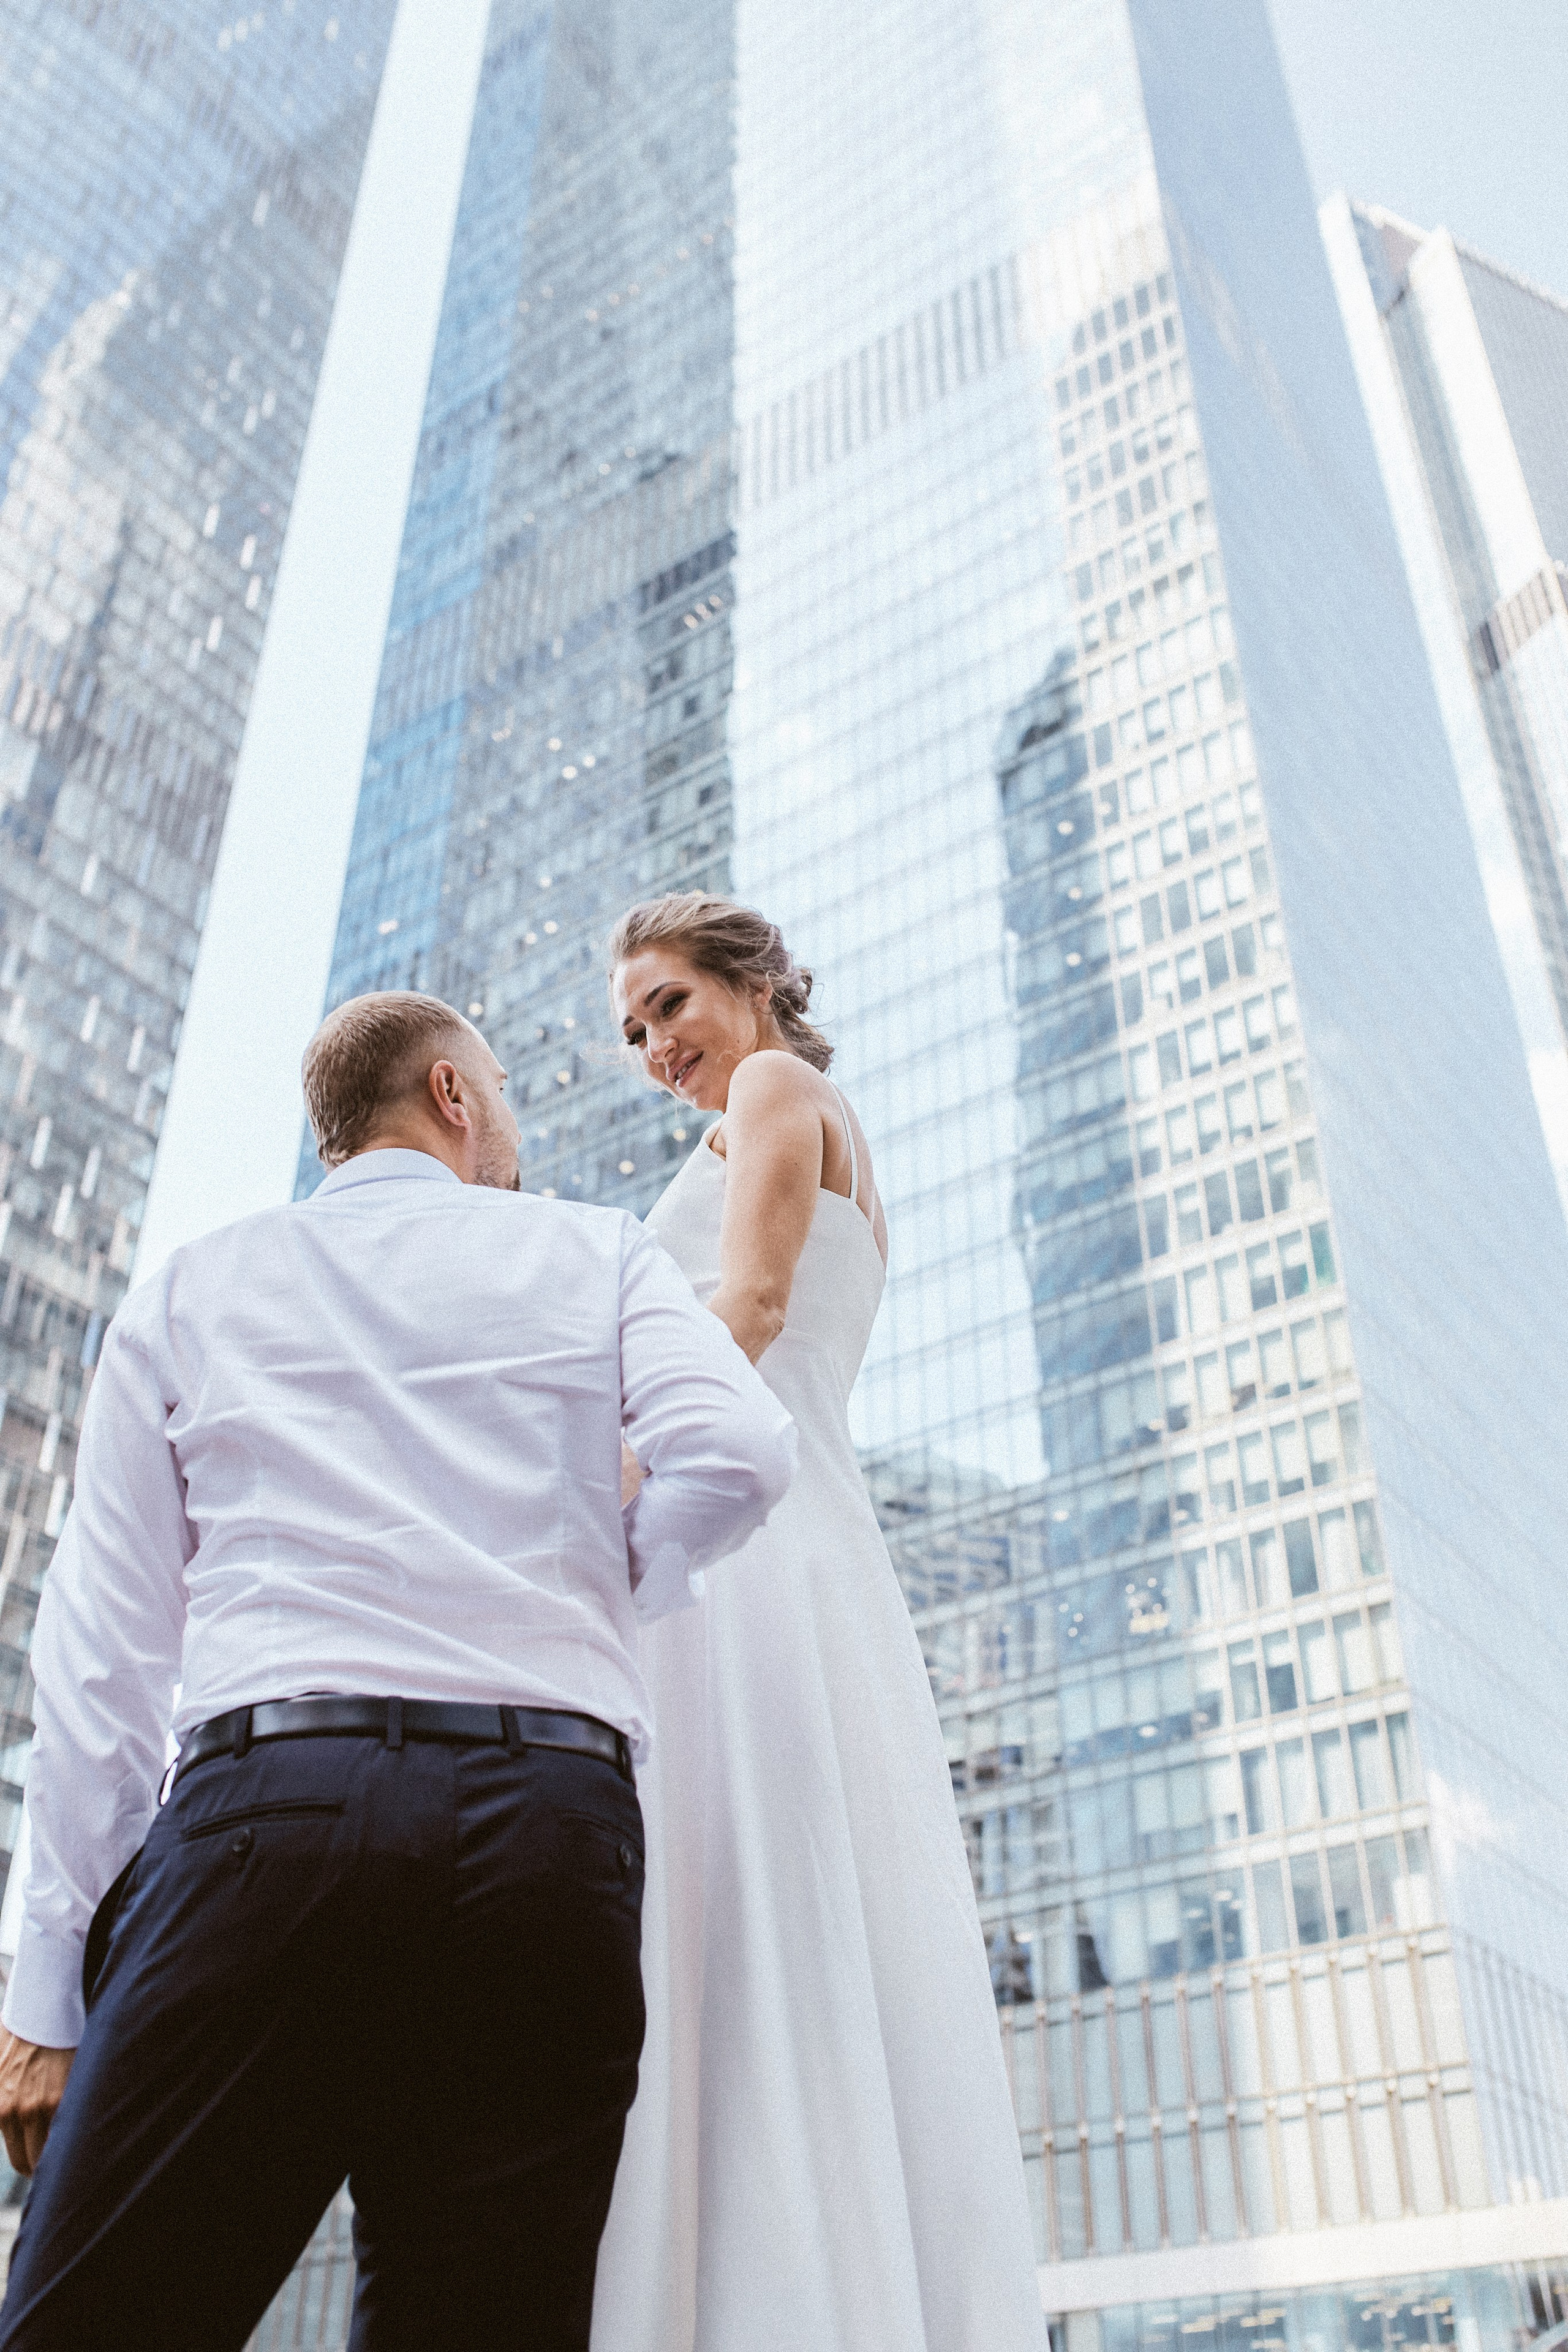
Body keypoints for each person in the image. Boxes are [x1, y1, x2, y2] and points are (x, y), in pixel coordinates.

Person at [0, 990, 796, 2352]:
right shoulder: (593, 1253)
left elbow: (104, 1654)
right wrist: (610, 1579)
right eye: (501, 1089)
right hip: (548, 1836)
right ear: (447, 1094)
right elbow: (737, 1450)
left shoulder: (195, 1285)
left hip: (271, 1817)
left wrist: (42, 1999)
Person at [593, 894, 1044, 2351]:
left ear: (752, 980)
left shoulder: (780, 1089)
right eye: (631, 1029)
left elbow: (751, 1308)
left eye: (667, 1003)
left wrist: (606, 1485)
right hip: (793, 1540)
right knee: (769, 1899)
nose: (653, 1043)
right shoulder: (796, 1111)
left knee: (746, 1899)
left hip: (752, 1554)